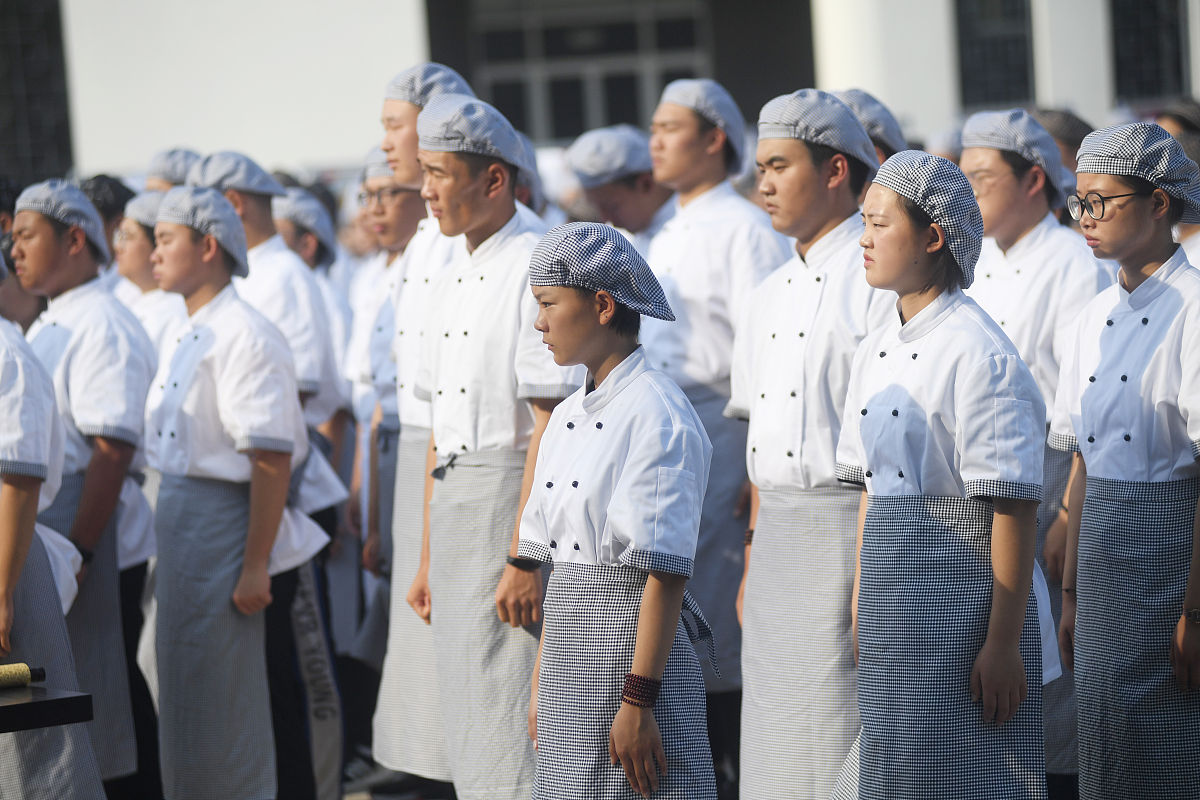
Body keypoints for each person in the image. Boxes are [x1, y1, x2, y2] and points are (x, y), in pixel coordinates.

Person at [833, 151, 1047, 798]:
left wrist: (1003, 643)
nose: (863, 240)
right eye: (862, 224)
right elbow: (874, 492)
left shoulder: (979, 352)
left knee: (967, 776)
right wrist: (860, 606)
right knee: (893, 774)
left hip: (966, 606)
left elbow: (1011, 508)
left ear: (933, 236)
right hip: (894, 605)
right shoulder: (873, 348)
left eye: (878, 224)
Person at [405, 92, 583, 800]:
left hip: (509, 503)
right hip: (456, 506)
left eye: (439, 173)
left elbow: (551, 422)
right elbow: (436, 430)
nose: (425, 191)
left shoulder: (536, 259)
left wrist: (525, 556)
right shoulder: (452, 271)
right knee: (469, 717)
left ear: (494, 180)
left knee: (514, 715)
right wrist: (424, 554)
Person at [727, 89, 891, 799]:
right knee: (775, 746)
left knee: (837, 738)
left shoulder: (879, 281)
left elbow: (883, 455)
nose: (763, 182)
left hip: (845, 530)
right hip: (779, 540)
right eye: (760, 166)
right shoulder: (765, 294)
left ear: (835, 171)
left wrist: (867, 574)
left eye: (780, 164)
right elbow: (760, 442)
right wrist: (754, 550)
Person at [517, 222, 716, 798]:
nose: (539, 322)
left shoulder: (659, 414)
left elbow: (666, 571)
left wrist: (638, 701)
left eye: (549, 303)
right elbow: (561, 567)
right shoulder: (568, 416)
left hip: (632, 649)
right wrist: (541, 682)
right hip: (567, 652)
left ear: (602, 305)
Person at [959, 108, 1114, 798]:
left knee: (1054, 668)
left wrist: (1063, 515)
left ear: (1034, 179)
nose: (969, 191)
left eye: (982, 176)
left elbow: (1083, 401)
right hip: (985, 487)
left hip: (1048, 480)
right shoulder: (977, 262)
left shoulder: (1072, 263)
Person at [642, 77, 791, 793]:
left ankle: (729, 764)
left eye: (673, 127)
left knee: (717, 606)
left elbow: (766, 352)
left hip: (724, 426)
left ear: (715, 139)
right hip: (671, 420)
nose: (657, 140)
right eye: (655, 127)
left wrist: (752, 467)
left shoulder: (743, 227)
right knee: (675, 590)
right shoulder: (666, 228)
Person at [187, 152, 342, 800]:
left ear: (231, 199)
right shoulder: (255, 277)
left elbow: (296, 395)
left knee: (298, 672)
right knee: (268, 675)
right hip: (257, 493)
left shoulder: (279, 275)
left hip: (287, 492)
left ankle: (324, 785)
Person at [1052, 122, 1200, 799]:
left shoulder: (1195, 308)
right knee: (1107, 744)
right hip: (1104, 563)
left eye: (1101, 201)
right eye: (1078, 202)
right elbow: (1085, 460)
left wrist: (1195, 614)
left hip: (1175, 553)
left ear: (1159, 204)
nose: (1085, 218)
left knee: (1170, 741)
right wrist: (1074, 591)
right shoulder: (1089, 319)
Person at [146, 185, 305, 800]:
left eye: (165, 241)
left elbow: (268, 457)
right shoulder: (189, 328)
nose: (153, 255)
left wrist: (255, 566)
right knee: (189, 699)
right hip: (185, 529)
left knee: (224, 705)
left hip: (221, 530)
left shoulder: (245, 332)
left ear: (207, 245)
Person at [12, 179, 156, 789]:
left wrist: (82, 553)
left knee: (103, 690)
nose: (12, 250)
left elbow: (110, 449)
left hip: (87, 537)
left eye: (25, 235)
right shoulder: (52, 319)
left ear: (74, 238)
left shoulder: (100, 321)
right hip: (59, 533)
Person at [372, 61, 473, 792]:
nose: (385, 144)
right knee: (420, 664)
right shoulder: (424, 238)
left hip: (458, 458)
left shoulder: (460, 237)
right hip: (417, 449)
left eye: (392, 124)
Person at [0, 250, 104, 798]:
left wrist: (2, 592)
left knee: (30, 738)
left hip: (9, 565)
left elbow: (17, 478)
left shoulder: (6, 351)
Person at [564, 125, 674, 257]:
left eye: (612, 207)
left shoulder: (697, 234)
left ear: (645, 184)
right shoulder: (621, 239)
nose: (606, 219)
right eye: (597, 207)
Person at [113, 191, 187, 351]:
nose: (118, 247)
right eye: (119, 236)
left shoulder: (174, 314)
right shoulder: (124, 294)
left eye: (128, 236)